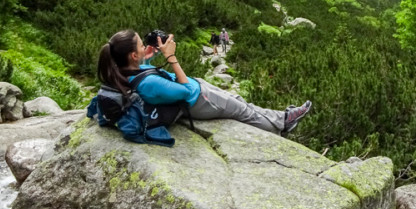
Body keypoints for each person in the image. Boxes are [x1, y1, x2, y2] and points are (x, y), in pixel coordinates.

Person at [98, 29, 311, 135]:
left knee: (237, 99)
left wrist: (149, 55)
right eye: (140, 45)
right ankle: (281, 126)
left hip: (197, 90)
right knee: (243, 111)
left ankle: (281, 117)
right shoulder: (148, 85)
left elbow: (143, 69)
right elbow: (185, 91)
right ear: (132, 56)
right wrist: (171, 58)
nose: (144, 46)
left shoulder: (125, 70)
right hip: (198, 100)